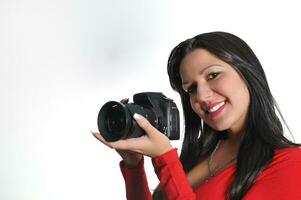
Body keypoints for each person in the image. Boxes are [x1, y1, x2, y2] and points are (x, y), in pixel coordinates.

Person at [92, 31, 301, 200]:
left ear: (247, 73)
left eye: (213, 75)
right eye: (191, 88)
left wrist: (164, 159)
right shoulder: (200, 153)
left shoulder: (291, 165)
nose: (202, 95)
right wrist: (133, 165)